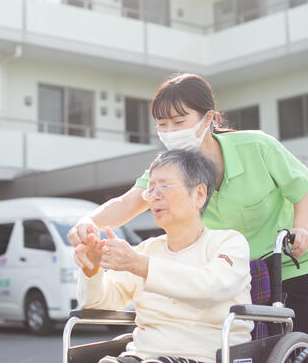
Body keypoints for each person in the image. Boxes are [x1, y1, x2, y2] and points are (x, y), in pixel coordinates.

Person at [68, 73, 308, 357]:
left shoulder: (256, 147)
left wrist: (300, 227)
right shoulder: (167, 171)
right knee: (251, 344)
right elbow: (127, 203)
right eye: (162, 124)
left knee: (307, 343)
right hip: (239, 269)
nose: (170, 131)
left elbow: (301, 184)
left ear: (208, 119)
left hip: (291, 256)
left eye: (179, 122)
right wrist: (89, 224)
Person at [76, 149, 253, 363]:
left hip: (205, 356)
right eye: (150, 189)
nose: (155, 195)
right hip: (141, 356)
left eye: (164, 186)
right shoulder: (146, 250)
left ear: (199, 195)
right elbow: (97, 305)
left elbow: (210, 288)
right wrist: (92, 269)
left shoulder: (229, 243)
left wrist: (138, 264)